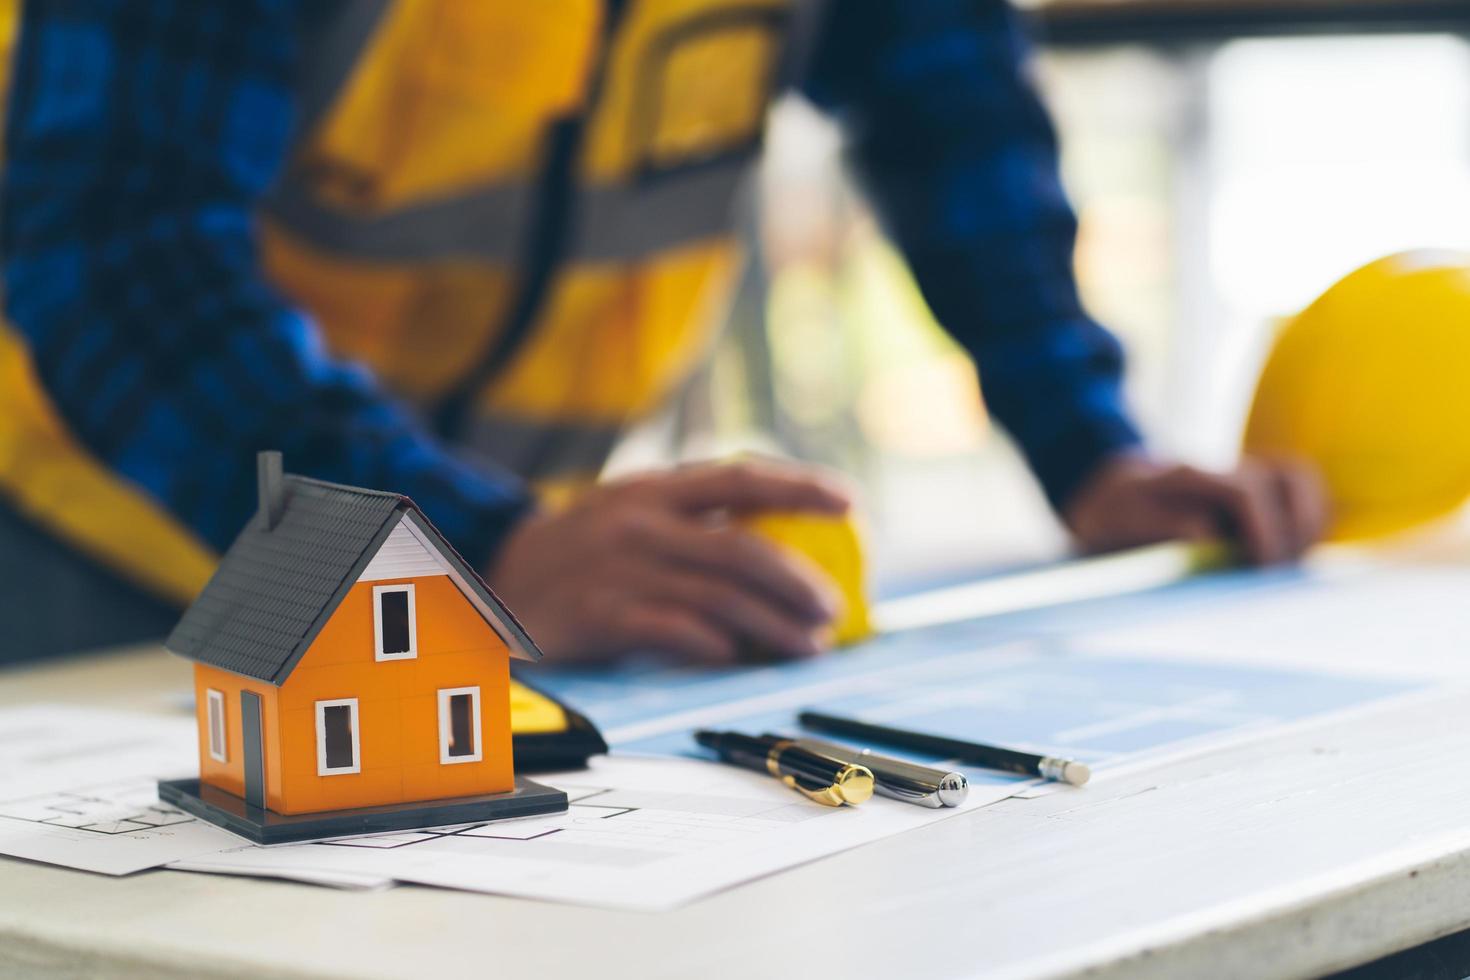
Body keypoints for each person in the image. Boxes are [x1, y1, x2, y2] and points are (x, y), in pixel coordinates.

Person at [0, 0, 1324, 666]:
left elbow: (951, 111)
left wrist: (1090, 451)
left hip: (522, 566)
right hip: (114, 535)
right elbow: (121, 240)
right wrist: (473, 548)